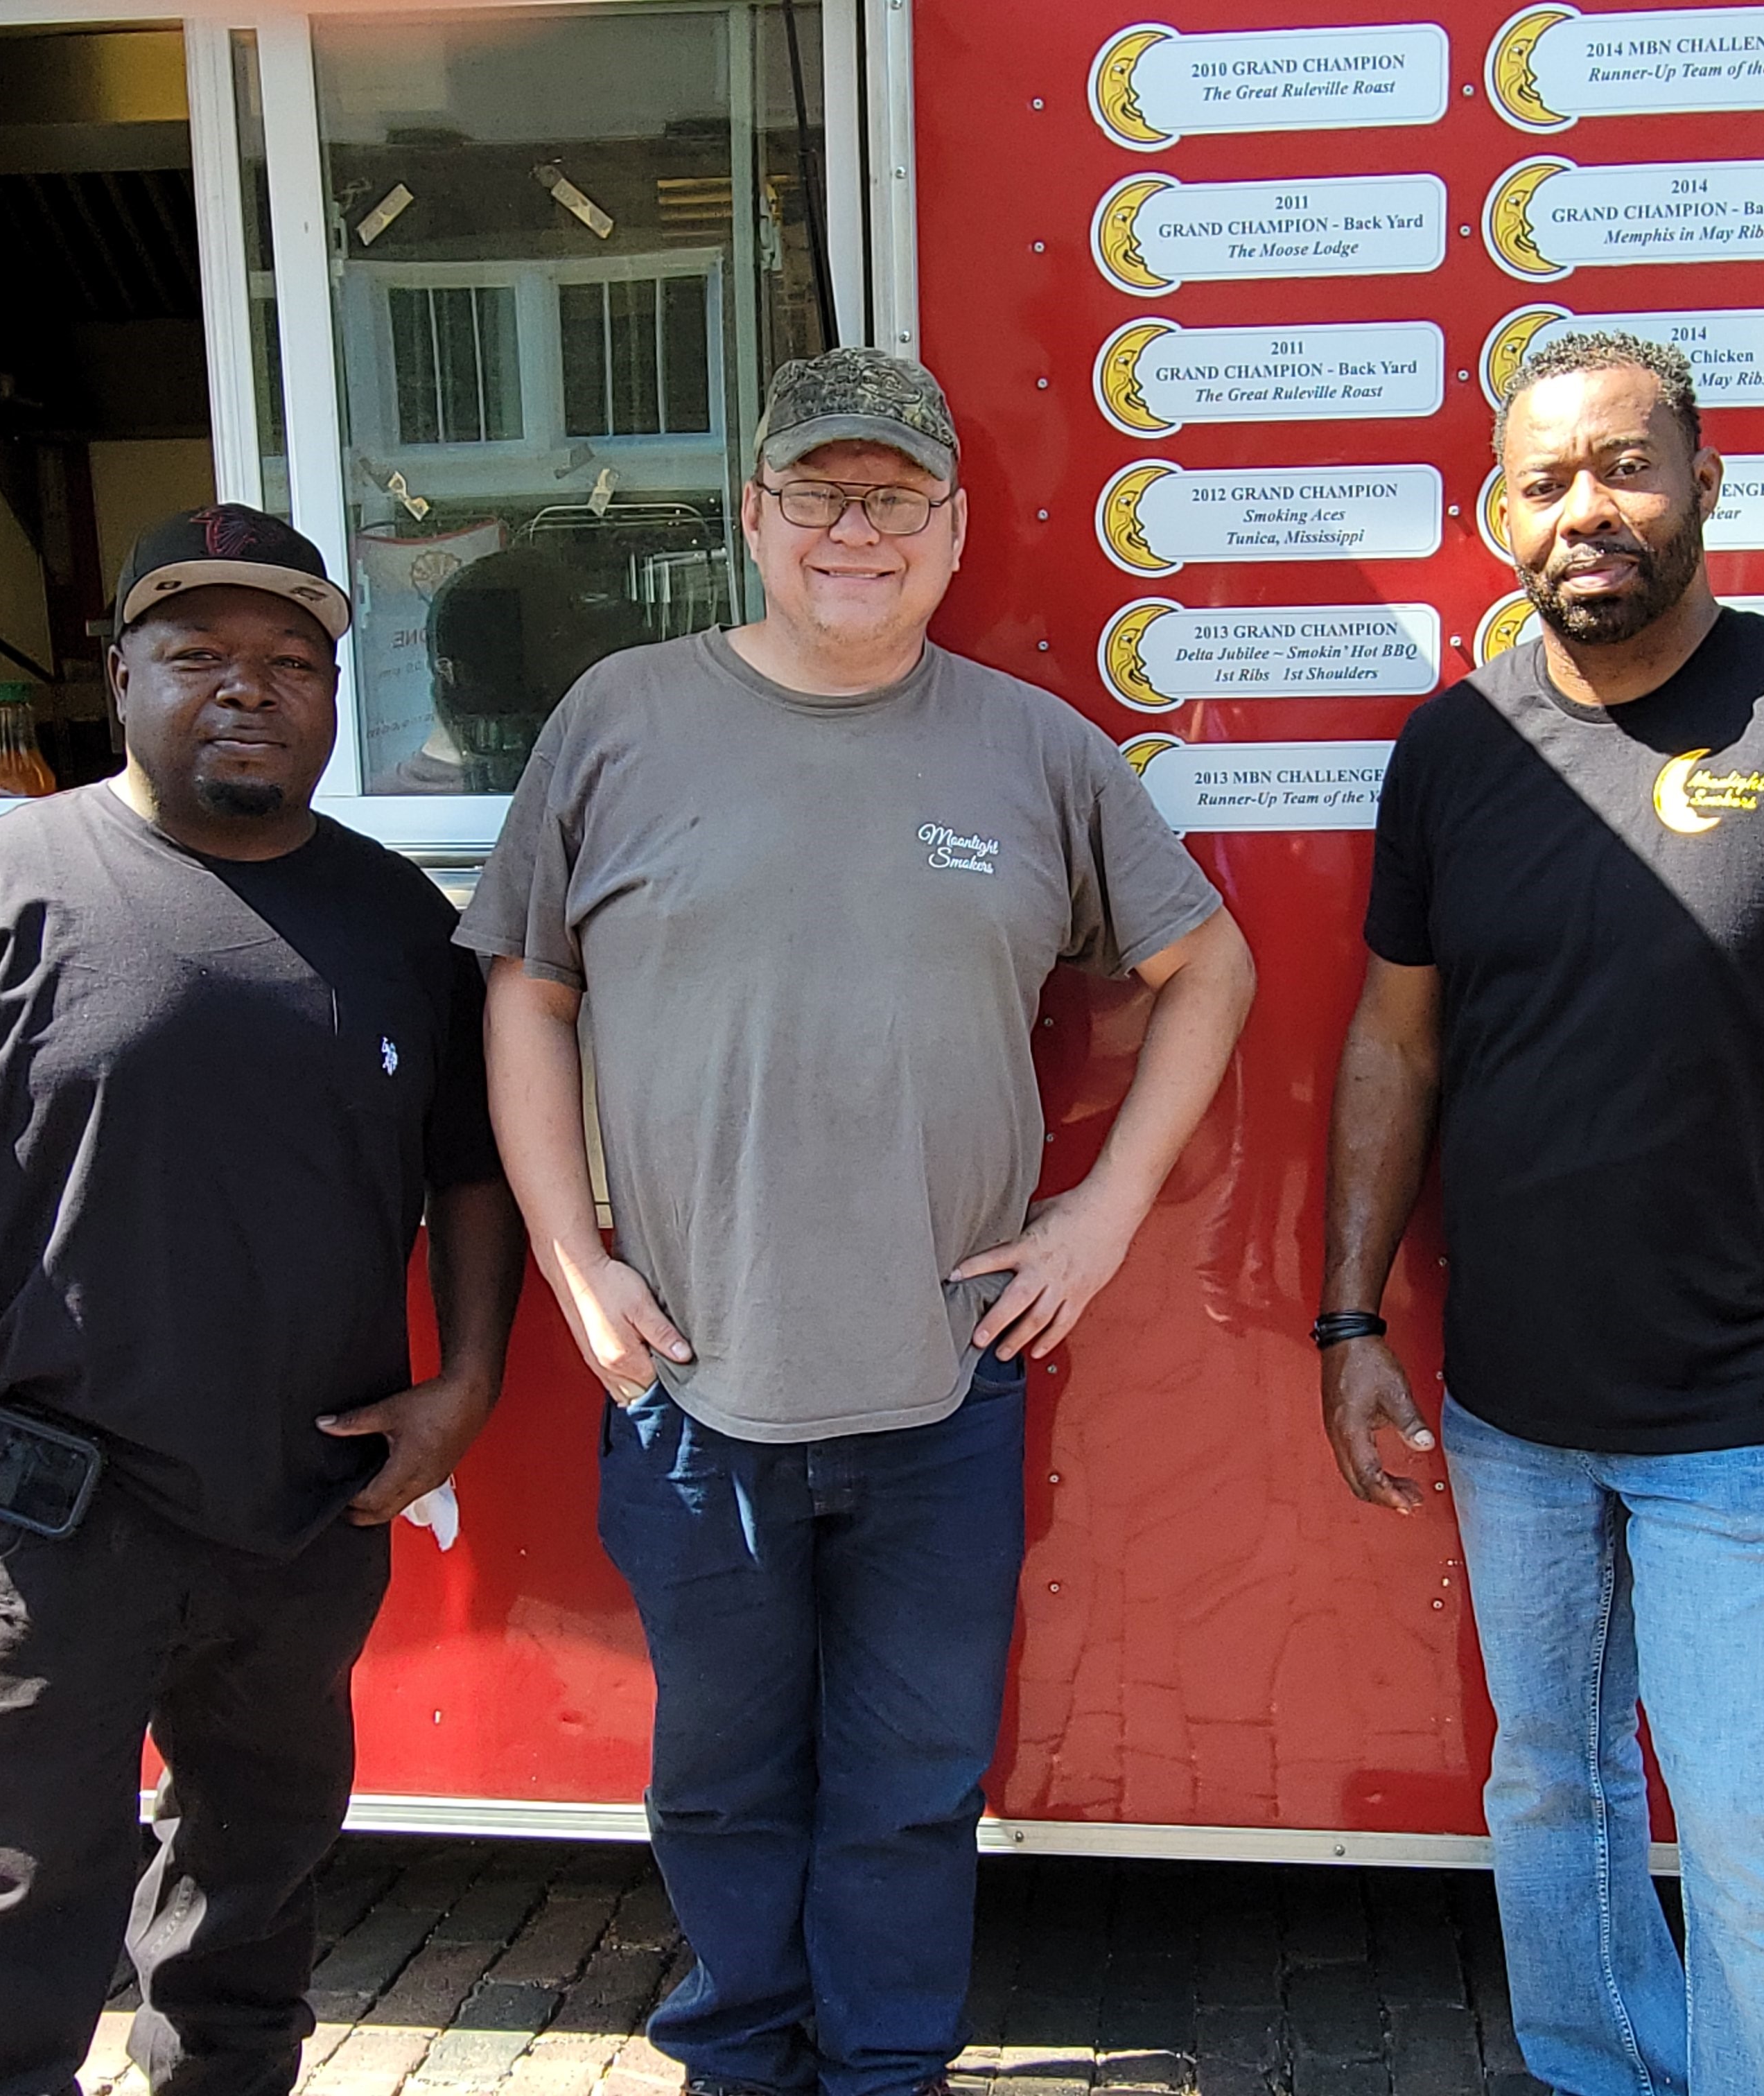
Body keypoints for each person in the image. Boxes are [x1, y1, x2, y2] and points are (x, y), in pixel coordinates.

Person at [461, 347, 1255, 2096]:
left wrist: (1104, 1216)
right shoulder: (619, 720)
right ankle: (740, 2062)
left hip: (943, 1383)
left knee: (909, 1788)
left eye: (896, 499)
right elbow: (526, 990)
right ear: (753, 518)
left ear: (955, 532)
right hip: (691, 1378)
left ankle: (888, 2072)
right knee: (720, 1784)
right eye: (818, 494)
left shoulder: (1034, 750)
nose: (856, 531)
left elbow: (1210, 968)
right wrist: (575, 1266)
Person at [1318, 334, 1764, 2096]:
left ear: (1707, 484)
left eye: (1628, 467)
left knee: (1747, 1825)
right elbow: (1397, 1047)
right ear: (1499, 518)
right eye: (1547, 481)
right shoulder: (1456, 748)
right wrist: (1349, 1317)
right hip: (1514, 1414)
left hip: (1754, 1422)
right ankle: (1606, 2072)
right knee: (1549, 1791)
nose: (1590, 510)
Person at [0, 504, 526, 2096]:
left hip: (302, 1523)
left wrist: (468, 1382)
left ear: (335, 695)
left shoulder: (402, 927)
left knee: (253, 1912)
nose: (249, 688)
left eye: (292, 661)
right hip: (38, 1529)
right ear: (120, 676)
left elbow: (473, 1177)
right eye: (200, 653)